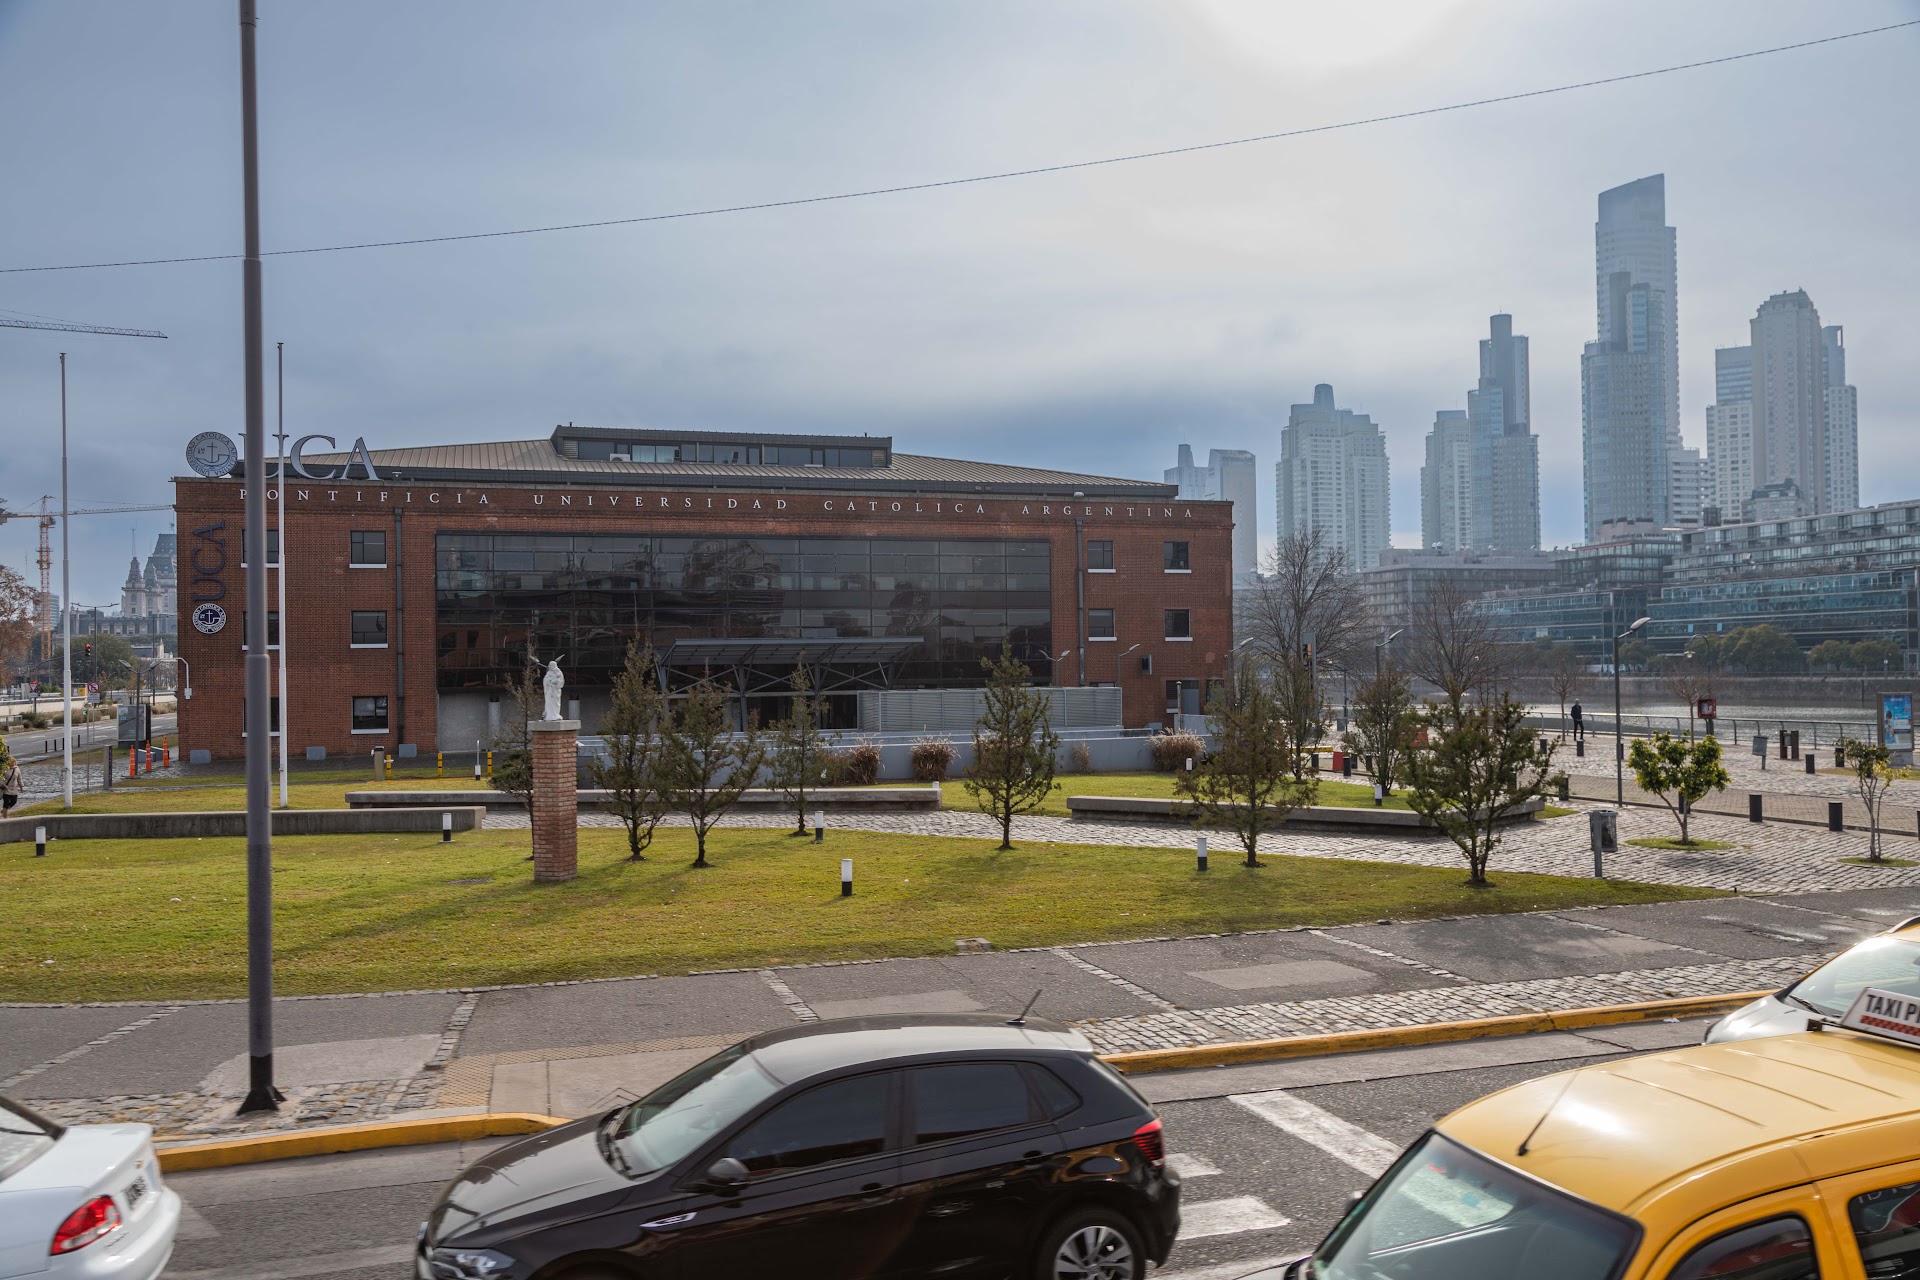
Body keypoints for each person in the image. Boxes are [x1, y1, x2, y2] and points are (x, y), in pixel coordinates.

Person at [1, 747, 21, 816]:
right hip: (6, 788)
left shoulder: (17, 769)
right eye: (10, 763)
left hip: (14, 788)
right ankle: (5, 816)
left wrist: (21, 786)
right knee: (6, 802)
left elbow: (19, 778)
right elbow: (1, 778)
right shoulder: (4, 769)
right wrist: (2, 785)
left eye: (13, 763)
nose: (12, 764)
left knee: (14, 801)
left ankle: (4, 810)